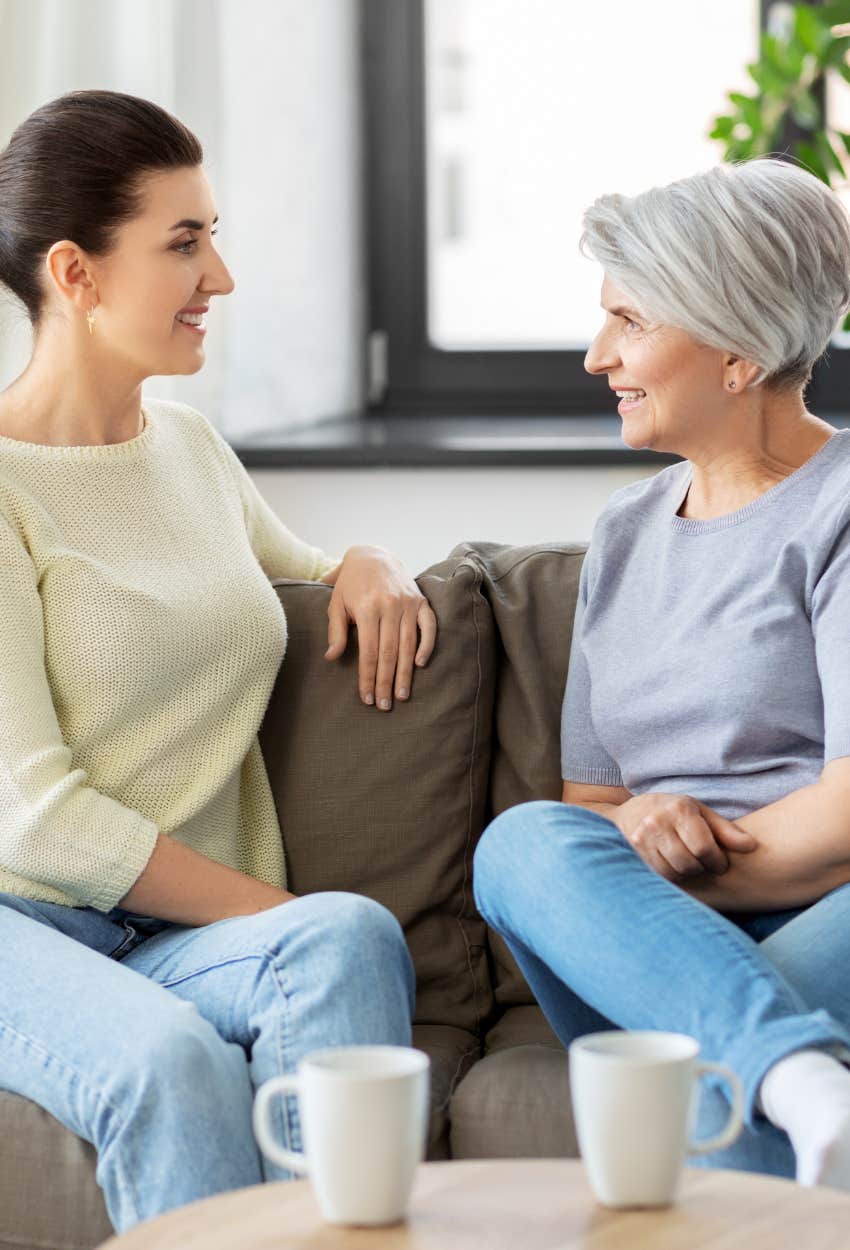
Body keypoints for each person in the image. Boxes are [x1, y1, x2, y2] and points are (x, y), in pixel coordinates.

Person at [0, 90, 438, 1233]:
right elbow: (37, 819)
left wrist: (370, 561)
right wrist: (267, 910)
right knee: (169, 1060)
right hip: (22, 923)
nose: (221, 278)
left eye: (214, 237)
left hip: (168, 935)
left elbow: (301, 568)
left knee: (349, 933)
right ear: (75, 273)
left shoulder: (189, 447)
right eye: (184, 244)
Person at [473, 157, 850, 1190]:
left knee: (692, 1070)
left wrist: (666, 873)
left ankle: (768, 1067)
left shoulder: (839, 510)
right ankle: (800, 1071)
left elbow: (846, 817)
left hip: (816, 918)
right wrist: (634, 834)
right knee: (519, 845)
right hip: (638, 933)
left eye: (628, 321)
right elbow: (588, 808)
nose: (598, 356)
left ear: (736, 350)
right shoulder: (626, 531)